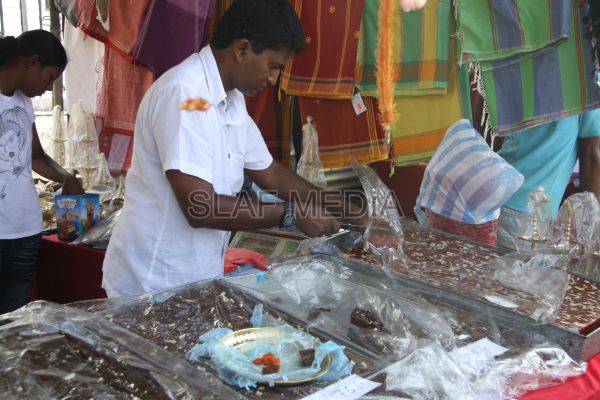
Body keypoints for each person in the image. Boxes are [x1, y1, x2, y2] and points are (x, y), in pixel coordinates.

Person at [102, 0, 367, 298]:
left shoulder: (231, 100)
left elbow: (272, 174)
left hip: (194, 277)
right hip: (152, 281)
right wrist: (290, 215)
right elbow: (200, 207)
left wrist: (352, 212)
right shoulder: (186, 95)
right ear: (242, 50)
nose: (273, 79)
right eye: (273, 66)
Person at [0, 30, 85, 314]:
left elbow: (35, 156)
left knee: (14, 319)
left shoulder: (22, 103)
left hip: (25, 230)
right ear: (32, 62)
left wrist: (66, 177)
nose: (49, 89)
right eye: (50, 78)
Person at [496, 110, 600, 251]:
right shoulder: (588, 96)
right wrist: (593, 227)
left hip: (494, 192)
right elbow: (592, 154)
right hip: (528, 211)